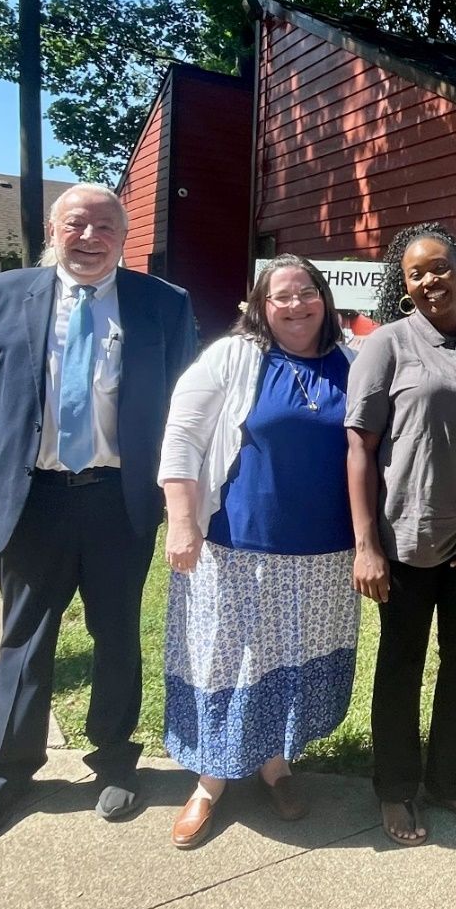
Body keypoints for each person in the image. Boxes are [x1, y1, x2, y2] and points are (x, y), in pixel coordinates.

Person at [0, 184, 196, 841]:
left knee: (116, 633)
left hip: (118, 498)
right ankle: (5, 773)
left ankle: (114, 762)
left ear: (124, 234)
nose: (89, 237)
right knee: (24, 639)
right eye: (76, 224)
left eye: (104, 226)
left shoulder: (163, 305)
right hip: (32, 497)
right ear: (54, 230)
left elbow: (181, 407)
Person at [157, 254, 360, 849]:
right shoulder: (233, 356)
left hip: (325, 551)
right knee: (225, 658)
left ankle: (274, 762)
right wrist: (181, 522)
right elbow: (182, 436)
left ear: (324, 297)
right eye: (281, 298)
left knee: (289, 659)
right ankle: (210, 781)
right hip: (238, 544)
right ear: (260, 306)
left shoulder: (352, 360)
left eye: (306, 294)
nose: (295, 306)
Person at [344, 223, 456, 846]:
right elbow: (359, 447)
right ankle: (395, 789)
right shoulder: (388, 346)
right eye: (417, 272)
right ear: (404, 283)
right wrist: (366, 543)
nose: (430, 281)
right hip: (405, 543)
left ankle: (451, 780)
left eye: (440, 268)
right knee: (400, 666)